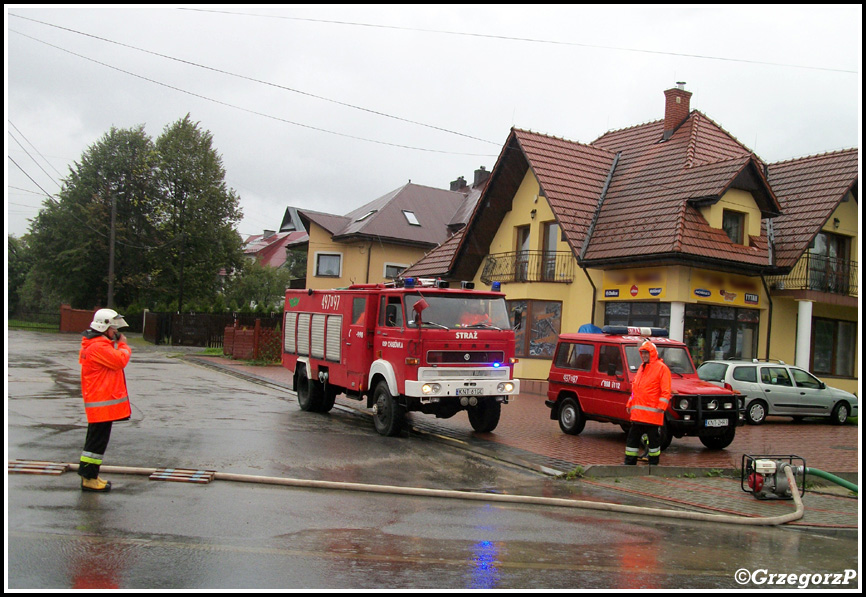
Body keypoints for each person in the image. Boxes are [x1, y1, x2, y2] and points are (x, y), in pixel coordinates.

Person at [78, 308, 132, 492]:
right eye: (113, 328)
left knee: (96, 441)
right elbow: (119, 361)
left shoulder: (97, 344)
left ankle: (91, 475)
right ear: (104, 326)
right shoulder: (98, 346)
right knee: (95, 443)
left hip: (100, 402)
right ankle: (89, 479)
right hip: (100, 403)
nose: (115, 332)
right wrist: (123, 345)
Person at [624, 340, 671, 466]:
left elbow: (666, 391)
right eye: (643, 353)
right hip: (639, 414)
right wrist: (630, 403)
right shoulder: (642, 368)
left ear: (653, 353)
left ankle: (653, 465)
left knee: (654, 443)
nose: (644, 355)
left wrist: (661, 407)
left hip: (652, 415)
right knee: (632, 441)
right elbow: (635, 389)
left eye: (646, 353)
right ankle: (629, 464)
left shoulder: (662, 369)